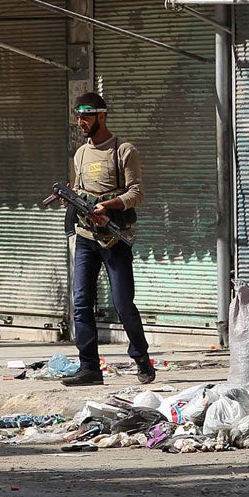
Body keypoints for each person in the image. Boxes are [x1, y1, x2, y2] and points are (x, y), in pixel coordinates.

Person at [60, 92, 156, 387]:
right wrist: (73, 199)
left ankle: (142, 359)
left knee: (123, 303)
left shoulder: (124, 150)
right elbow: (78, 188)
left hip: (115, 239)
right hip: (86, 237)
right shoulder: (80, 154)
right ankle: (89, 367)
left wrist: (108, 206)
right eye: (78, 116)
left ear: (102, 116)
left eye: (86, 116)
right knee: (81, 303)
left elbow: (136, 193)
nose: (80, 122)